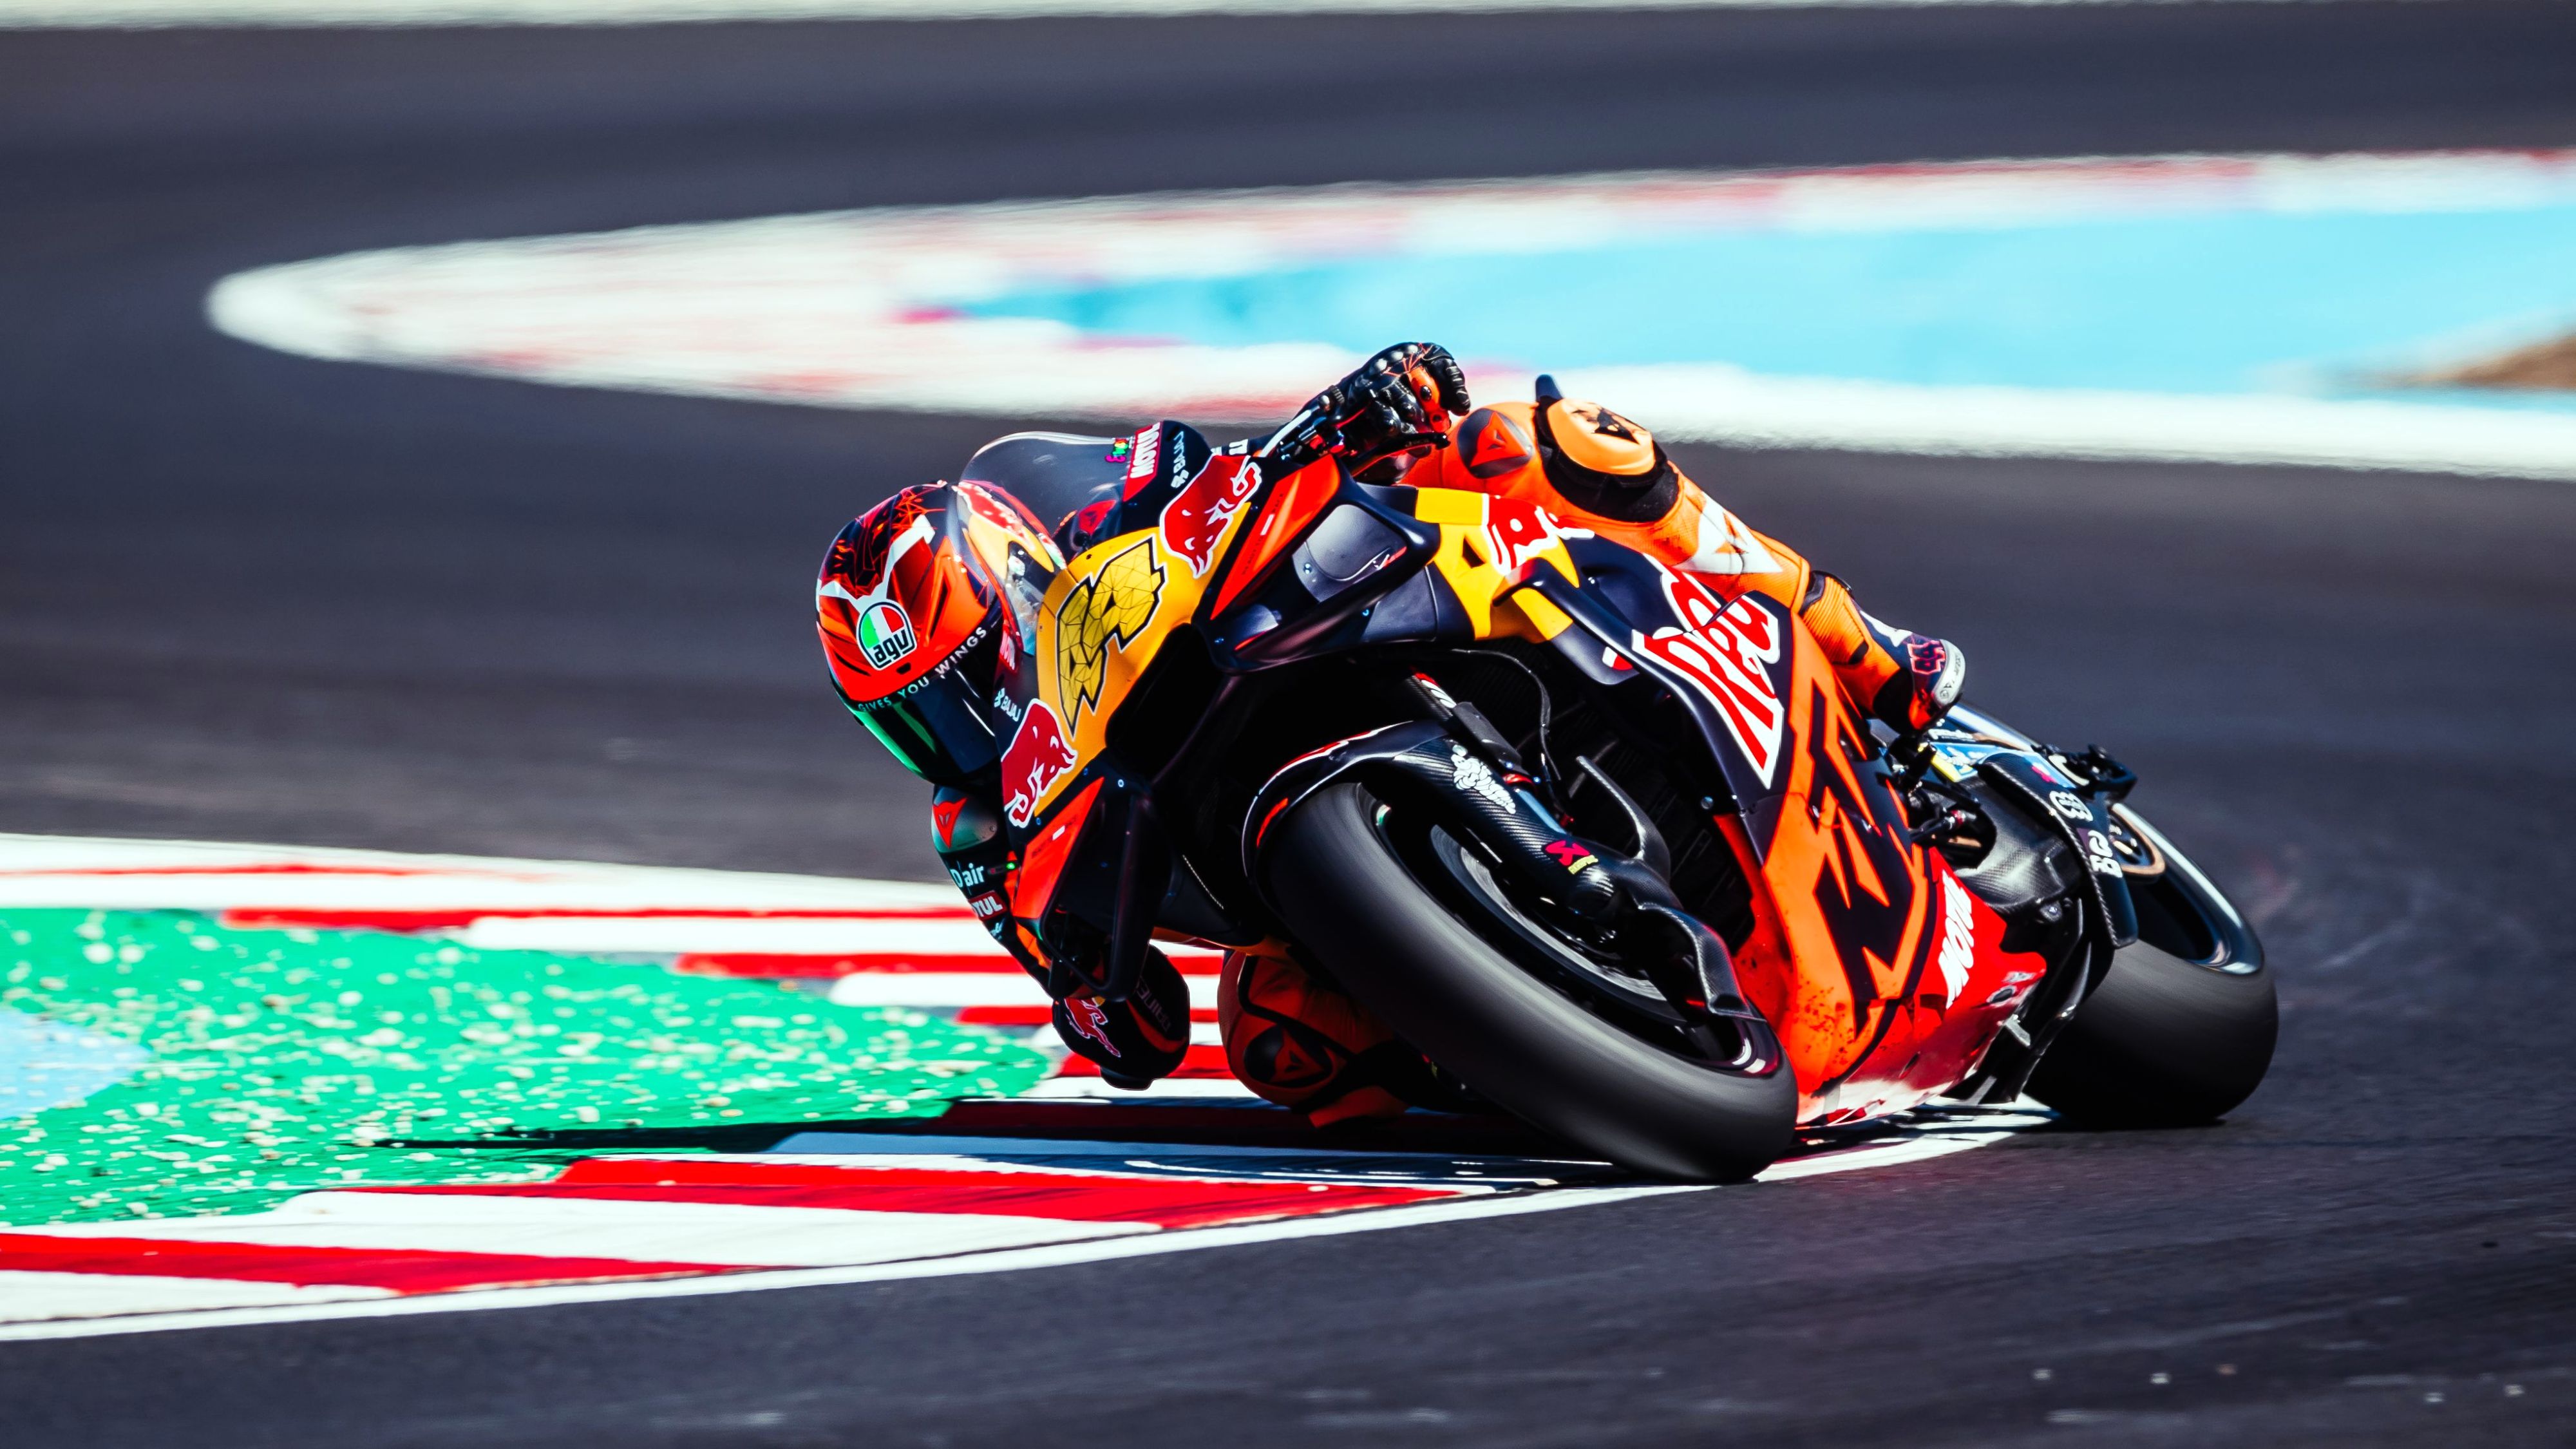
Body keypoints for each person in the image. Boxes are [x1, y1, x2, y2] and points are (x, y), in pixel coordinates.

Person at [815, 343, 1965, 1125]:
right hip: (1241, 846)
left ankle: (1862, 641)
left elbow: (1200, 480)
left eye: (965, 682)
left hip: (1292, 638)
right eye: (913, 719)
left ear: (1019, 590)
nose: (955, 730)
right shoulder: (985, 833)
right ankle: (1566, 1054)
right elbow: (1135, 1041)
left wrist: (1352, 413)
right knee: (1281, 1046)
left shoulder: (1089, 504)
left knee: (1540, 443)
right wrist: (1094, 993)